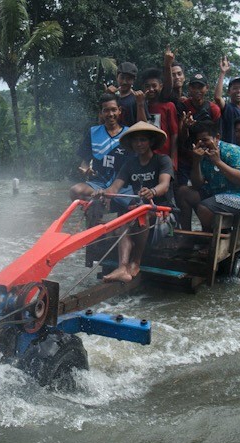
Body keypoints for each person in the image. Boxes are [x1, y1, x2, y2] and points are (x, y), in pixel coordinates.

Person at [100, 122, 174, 283]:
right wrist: (103, 193)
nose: (139, 144)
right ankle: (123, 267)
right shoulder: (130, 164)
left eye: (143, 140)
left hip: (164, 213)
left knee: (141, 215)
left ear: (151, 142)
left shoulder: (163, 160)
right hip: (138, 211)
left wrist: (152, 191)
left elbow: (164, 185)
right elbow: (114, 187)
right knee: (124, 219)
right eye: (135, 141)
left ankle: (136, 262)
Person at [182, 120, 240, 232]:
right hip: (217, 193)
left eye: (205, 140)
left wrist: (218, 162)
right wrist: (196, 162)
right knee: (183, 192)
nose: (201, 143)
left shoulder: (232, 151)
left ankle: (209, 240)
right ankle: (186, 235)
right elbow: (197, 185)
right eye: (198, 141)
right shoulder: (201, 154)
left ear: (216, 137)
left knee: (204, 207)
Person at [70, 93, 135, 210]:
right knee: (76, 191)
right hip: (97, 184)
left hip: (123, 186)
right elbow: (85, 162)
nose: (110, 114)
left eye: (114, 110)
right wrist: (85, 170)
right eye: (106, 110)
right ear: (101, 113)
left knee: (137, 205)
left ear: (119, 110)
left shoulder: (129, 134)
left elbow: (135, 165)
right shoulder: (93, 132)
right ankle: (95, 215)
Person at [141, 68, 180, 170]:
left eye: (154, 85)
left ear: (161, 86)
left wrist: (173, 158)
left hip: (164, 158)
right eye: (147, 86)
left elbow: (174, 134)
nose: (151, 89)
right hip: (145, 158)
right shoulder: (140, 106)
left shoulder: (168, 106)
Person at [214, 56, 240, 143]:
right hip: (229, 151)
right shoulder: (229, 108)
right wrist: (222, 72)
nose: (239, 91)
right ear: (229, 92)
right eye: (235, 88)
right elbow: (217, 98)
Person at [110, 62, 147, 127]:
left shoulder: (138, 98)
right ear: (117, 77)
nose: (124, 82)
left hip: (132, 136)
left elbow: (144, 125)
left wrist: (140, 104)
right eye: (122, 78)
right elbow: (102, 122)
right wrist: (107, 97)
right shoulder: (112, 97)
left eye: (128, 79)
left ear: (134, 80)